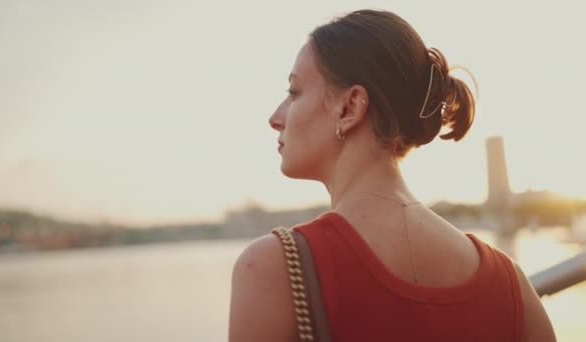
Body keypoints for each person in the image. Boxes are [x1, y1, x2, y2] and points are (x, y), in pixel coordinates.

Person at [228, 9, 556, 342]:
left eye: (294, 92)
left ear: (350, 107)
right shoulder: (512, 286)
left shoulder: (275, 268)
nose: (275, 117)